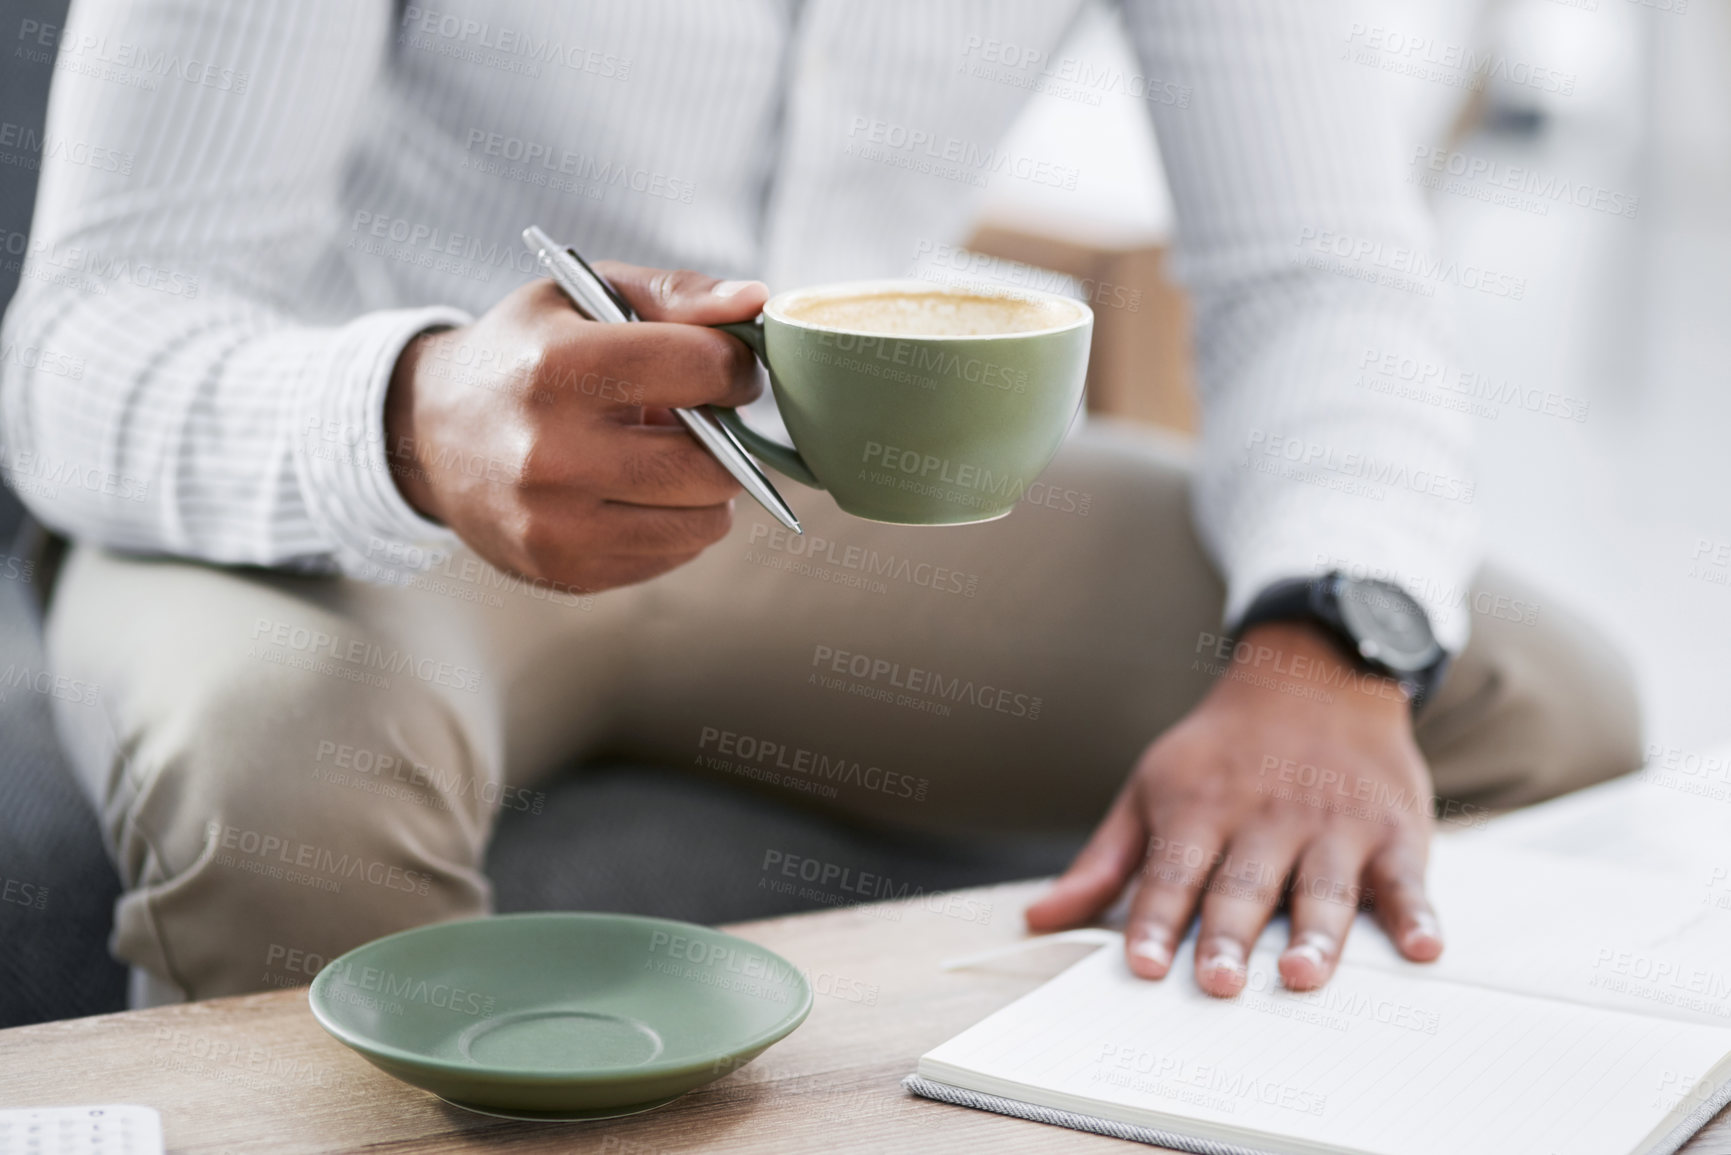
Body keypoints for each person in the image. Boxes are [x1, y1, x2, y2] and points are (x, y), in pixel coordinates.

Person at [0, 0, 1638, 1007]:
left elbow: (1319, 274)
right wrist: (419, 418)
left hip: (810, 477)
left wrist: (1324, 641)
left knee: (1518, 701)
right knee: (291, 792)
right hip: (360, 479)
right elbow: (87, 340)